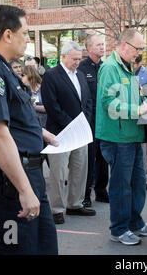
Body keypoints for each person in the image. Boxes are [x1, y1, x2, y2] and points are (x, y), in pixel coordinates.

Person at [0, 5, 58, 254]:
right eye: (25, 33)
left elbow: (14, 120)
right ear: (7, 34)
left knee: (44, 246)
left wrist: (40, 134)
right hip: (10, 183)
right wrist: (24, 190)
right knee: (17, 248)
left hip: (27, 175)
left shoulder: (4, 66)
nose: (28, 39)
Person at [96, 28, 147, 246]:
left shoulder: (128, 68)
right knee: (121, 186)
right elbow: (109, 104)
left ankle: (135, 223)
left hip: (132, 135)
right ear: (124, 45)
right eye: (137, 48)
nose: (140, 53)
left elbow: (130, 100)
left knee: (138, 183)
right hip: (117, 137)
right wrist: (138, 111)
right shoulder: (110, 68)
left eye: (142, 49)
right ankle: (119, 229)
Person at [41, 41, 95, 225]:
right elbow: (51, 105)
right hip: (60, 133)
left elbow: (87, 101)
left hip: (80, 132)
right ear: (63, 56)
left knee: (80, 169)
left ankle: (75, 203)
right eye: (74, 59)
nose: (78, 62)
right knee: (59, 172)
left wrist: (84, 122)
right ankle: (57, 209)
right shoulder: (51, 75)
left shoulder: (80, 75)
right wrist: (70, 125)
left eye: (80, 59)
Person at [78, 32, 110, 207]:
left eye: (102, 44)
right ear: (89, 48)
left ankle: (101, 190)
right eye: (98, 45)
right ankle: (85, 194)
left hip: (104, 120)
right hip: (89, 120)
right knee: (89, 158)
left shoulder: (106, 68)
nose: (102, 47)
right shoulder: (82, 69)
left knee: (103, 156)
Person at [132, 54, 147, 191]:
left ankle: (146, 178)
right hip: (131, 114)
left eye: (136, 64)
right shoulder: (125, 72)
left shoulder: (146, 73)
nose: (133, 66)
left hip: (145, 115)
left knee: (144, 149)